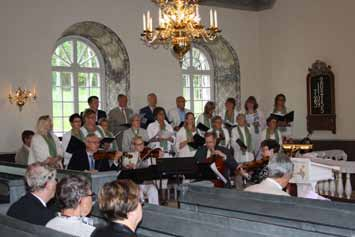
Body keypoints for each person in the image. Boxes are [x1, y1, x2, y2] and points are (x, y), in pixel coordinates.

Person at [121, 137, 160, 205]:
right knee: (139, 193)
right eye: (139, 144)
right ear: (134, 146)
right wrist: (128, 167)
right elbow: (124, 168)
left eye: (142, 143)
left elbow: (148, 171)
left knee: (153, 190)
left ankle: (155, 210)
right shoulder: (128, 155)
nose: (142, 146)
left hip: (145, 182)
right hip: (134, 184)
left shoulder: (146, 155)